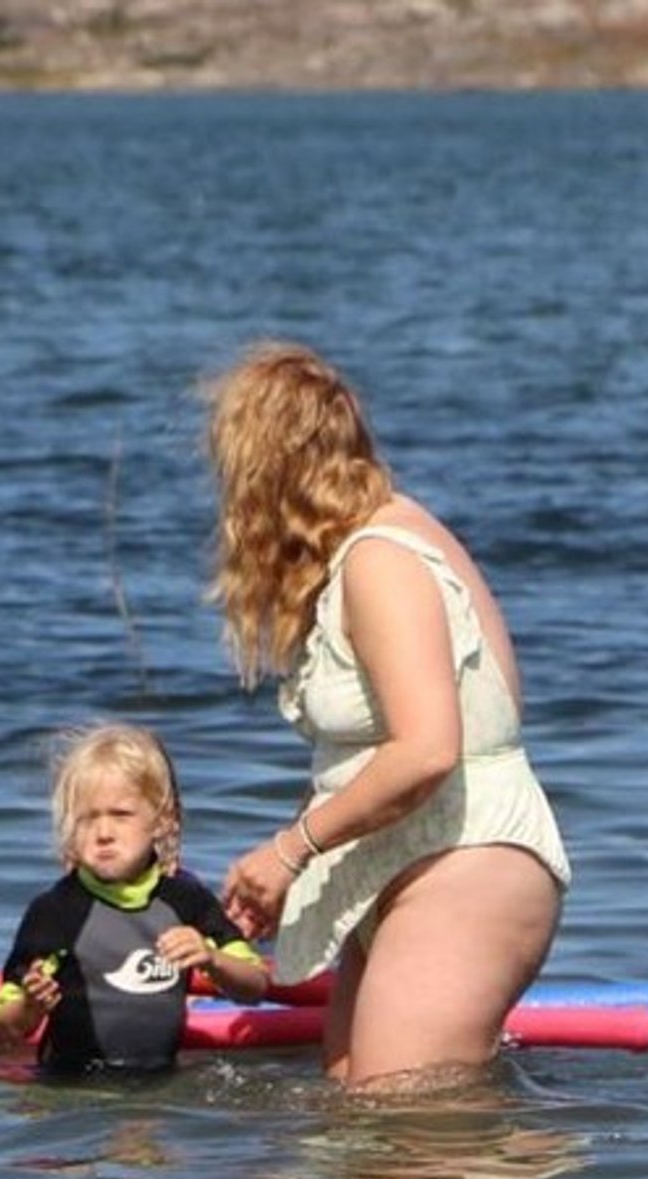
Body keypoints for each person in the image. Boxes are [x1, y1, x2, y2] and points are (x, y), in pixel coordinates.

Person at [201, 341, 571, 1090]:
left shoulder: (382, 559)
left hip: (467, 860)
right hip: (390, 866)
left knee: (400, 1126)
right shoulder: (362, 551)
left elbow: (429, 750)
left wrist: (293, 849)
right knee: (351, 1125)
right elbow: (368, 754)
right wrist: (280, 875)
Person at [0, 723, 267, 1075]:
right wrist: (31, 1004)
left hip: (160, 1086)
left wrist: (212, 959)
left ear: (162, 822)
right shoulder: (56, 912)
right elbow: (8, 1026)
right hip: (71, 1090)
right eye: (87, 819)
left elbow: (254, 988)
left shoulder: (186, 900)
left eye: (120, 815)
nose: (104, 833)